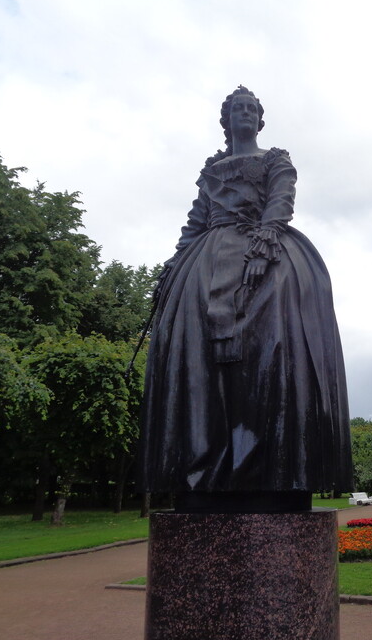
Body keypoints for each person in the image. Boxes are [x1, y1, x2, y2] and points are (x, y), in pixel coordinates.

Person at [138, 86, 352, 513]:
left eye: (252, 109)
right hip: (205, 261)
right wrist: (173, 268)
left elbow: (280, 202)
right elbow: (196, 221)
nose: (246, 114)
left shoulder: (276, 161)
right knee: (193, 355)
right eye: (238, 108)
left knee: (273, 349)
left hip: (267, 252)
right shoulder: (213, 169)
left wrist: (263, 243)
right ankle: (200, 471)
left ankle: (275, 467)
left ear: (261, 119)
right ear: (226, 119)